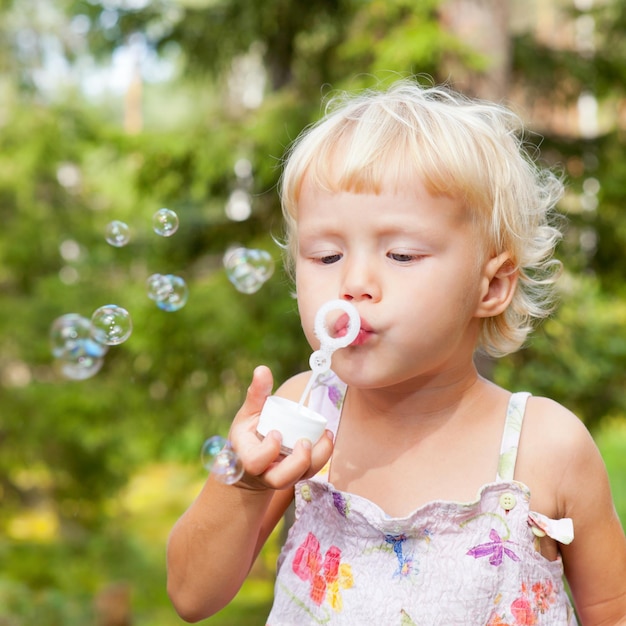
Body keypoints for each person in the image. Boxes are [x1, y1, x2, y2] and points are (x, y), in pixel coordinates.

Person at [166, 80, 626, 625]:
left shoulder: (546, 445)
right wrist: (244, 484)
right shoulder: (305, 414)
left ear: (492, 286)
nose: (355, 283)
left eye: (402, 254)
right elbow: (192, 596)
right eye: (326, 254)